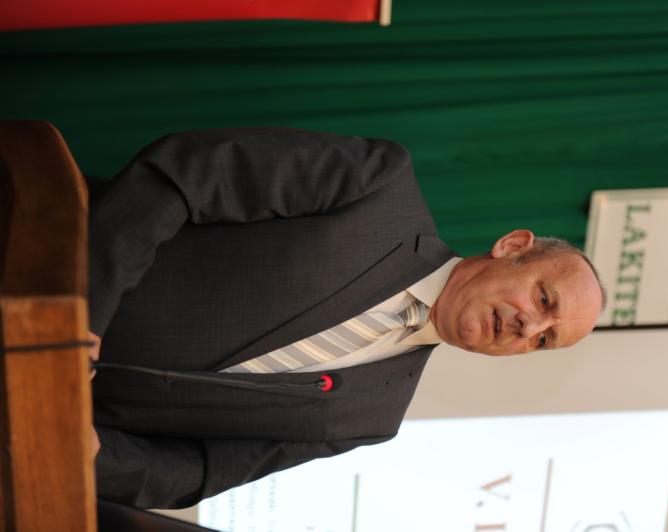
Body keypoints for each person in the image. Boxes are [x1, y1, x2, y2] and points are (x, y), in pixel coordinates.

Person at [87, 127, 605, 509]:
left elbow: (202, 470)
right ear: (512, 247)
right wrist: (82, 311)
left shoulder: (374, 416)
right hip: (49, 268)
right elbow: (187, 173)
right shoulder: (380, 190)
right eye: (544, 301)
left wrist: (86, 454)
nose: (528, 329)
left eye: (544, 340)